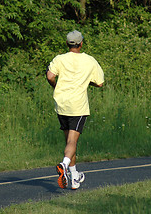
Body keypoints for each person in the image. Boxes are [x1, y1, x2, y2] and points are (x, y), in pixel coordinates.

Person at [46, 30, 104, 189]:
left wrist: (56, 86)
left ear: (67, 44)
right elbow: (100, 83)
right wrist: (87, 82)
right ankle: (64, 165)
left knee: (69, 143)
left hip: (62, 104)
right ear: (81, 43)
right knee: (72, 141)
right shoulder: (90, 60)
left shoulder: (59, 59)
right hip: (78, 106)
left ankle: (74, 178)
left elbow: (50, 76)